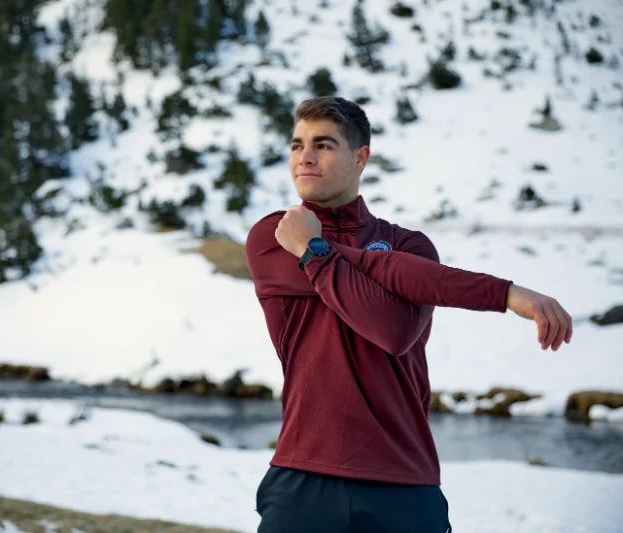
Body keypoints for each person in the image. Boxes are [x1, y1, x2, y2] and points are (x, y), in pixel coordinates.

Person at [244, 96, 573, 533]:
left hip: (402, 479)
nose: (305, 156)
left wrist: (314, 251)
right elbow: (388, 278)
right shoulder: (276, 235)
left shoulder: (409, 245)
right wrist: (503, 294)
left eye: (323, 144)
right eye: (296, 145)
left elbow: (393, 331)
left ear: (360, 158)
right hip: (304, 477)